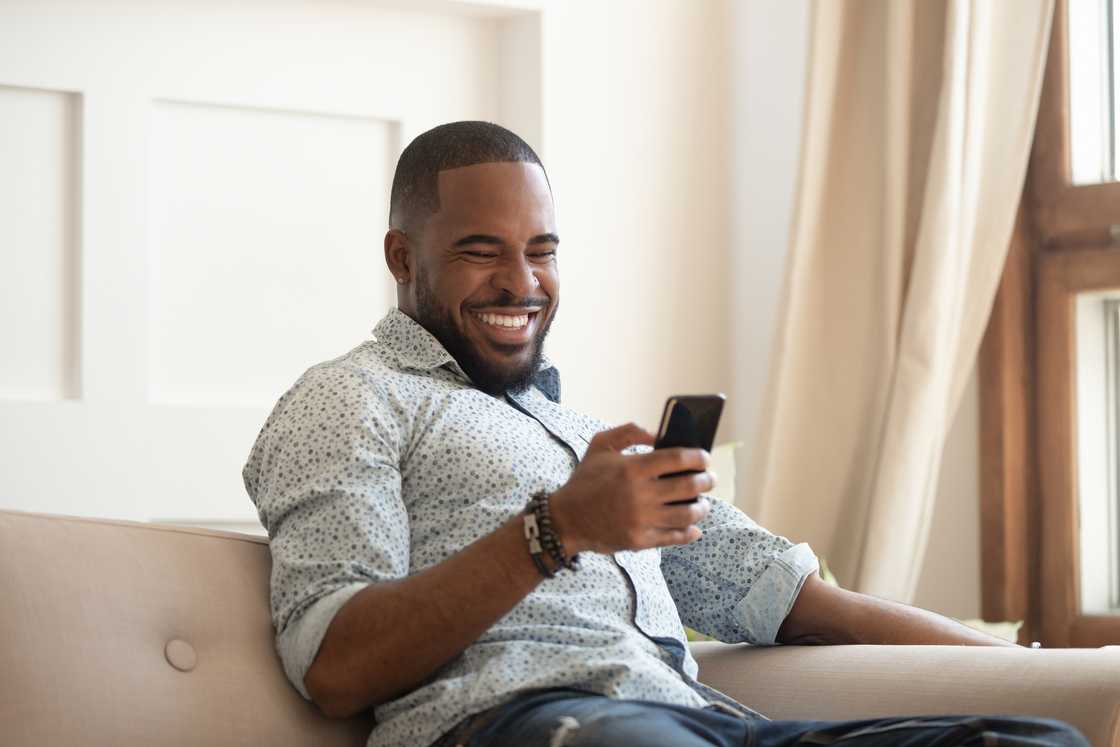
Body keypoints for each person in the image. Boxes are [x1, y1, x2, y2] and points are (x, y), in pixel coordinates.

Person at [242, 121, 1087, 747]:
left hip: (702, 724)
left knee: (1042, 742)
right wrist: (556, 528)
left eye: (543, 249)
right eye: (480, 251)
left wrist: (1040, 667)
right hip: (524, 723)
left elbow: (799, 601)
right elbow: (336, 665)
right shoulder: (348, 399)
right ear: (402, 256)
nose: (523, 281)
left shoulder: (584, 440)